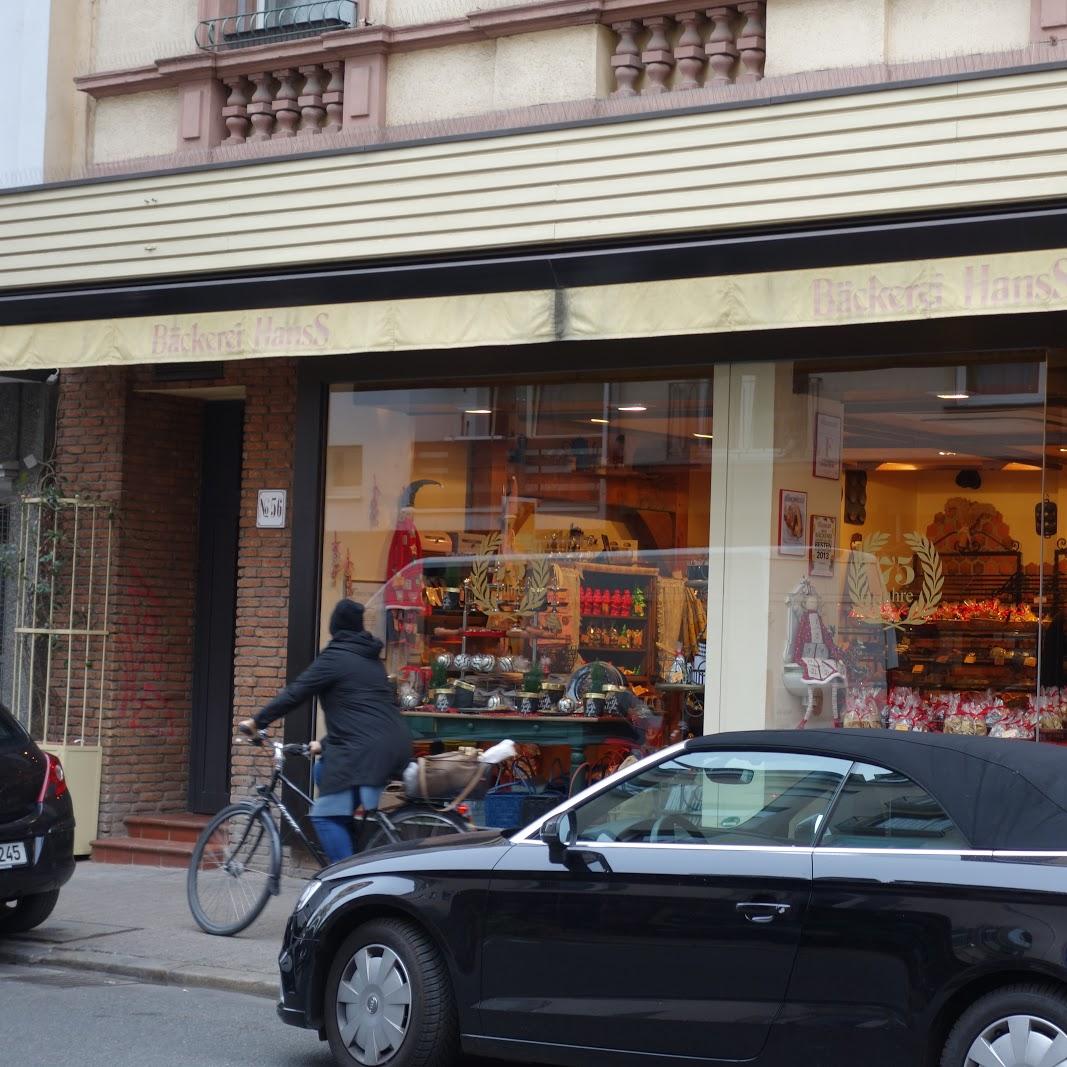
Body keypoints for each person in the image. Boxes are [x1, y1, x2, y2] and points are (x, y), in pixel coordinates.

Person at [240, 599, 413, 864]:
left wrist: (258, 722)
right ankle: (353, 846)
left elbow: (295, 693)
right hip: (392, 743)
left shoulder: (335, 657)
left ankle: (348, 883)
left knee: (324, 815)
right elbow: (361, 715)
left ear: (335, 627)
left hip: (364, 751)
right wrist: (325, 743)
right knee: (322, 770)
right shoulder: (370, 659)